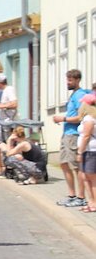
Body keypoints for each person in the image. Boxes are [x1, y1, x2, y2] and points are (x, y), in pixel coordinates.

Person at [52, 69, 88, 207]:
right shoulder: (73, 94)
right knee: (64, 163)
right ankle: (72, 194)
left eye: (70, 80)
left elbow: (81, 117)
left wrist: (64, 118)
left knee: (76, 166)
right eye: (67, 80)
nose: (67, 82)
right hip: (67, 132)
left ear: (77, 80)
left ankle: (81, 196)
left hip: (73, 134)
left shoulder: (80, 95)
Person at [75, 94, 96, 212]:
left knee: (91, 178)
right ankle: (91, 202)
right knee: (86, 177)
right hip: (88, 150)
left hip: (89, 151)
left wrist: (79, 151)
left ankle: (93, 203)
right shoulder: (90, 118)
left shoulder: (89, 118)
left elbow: (86, 135)